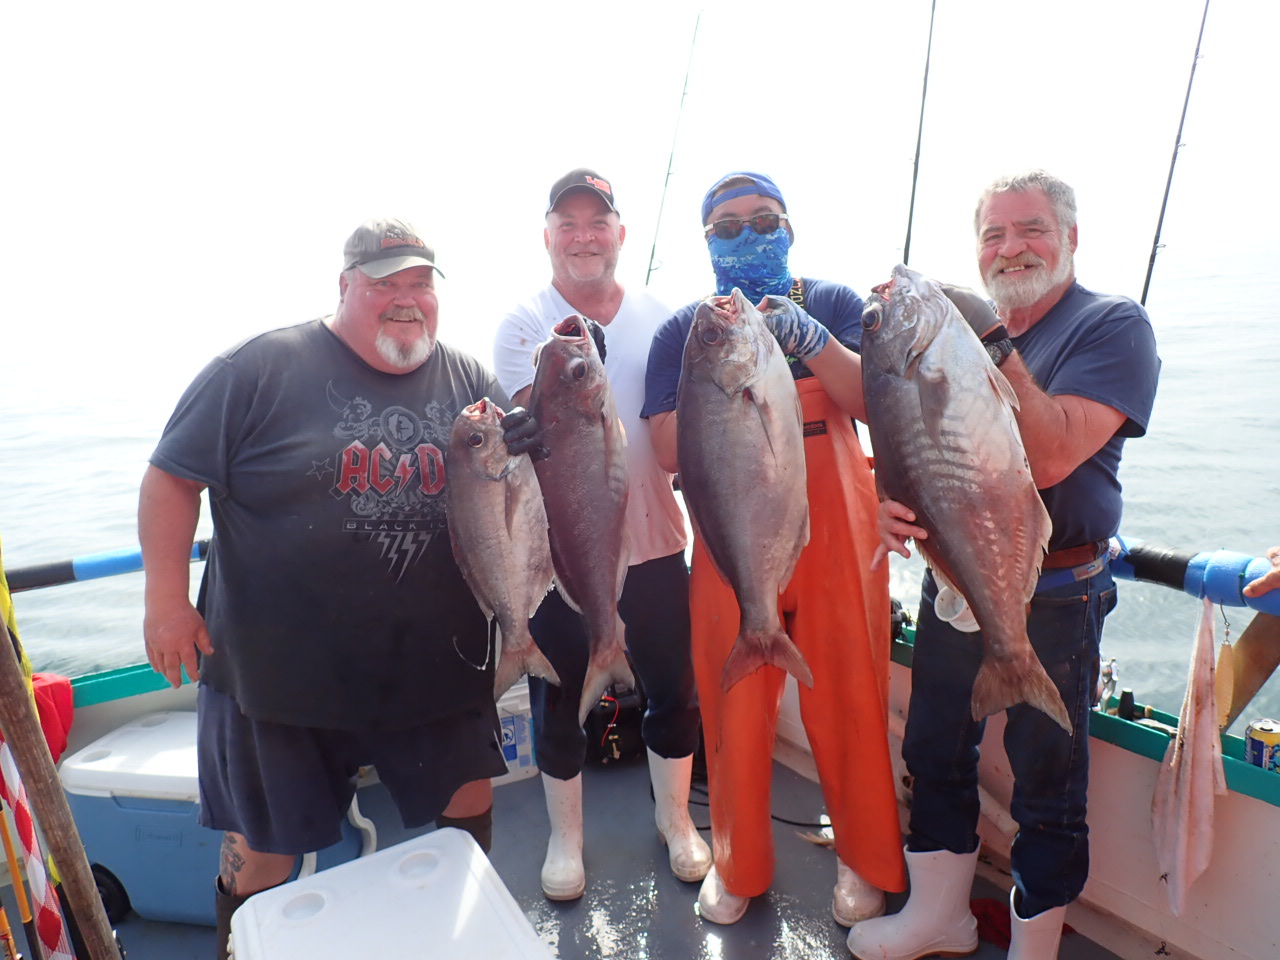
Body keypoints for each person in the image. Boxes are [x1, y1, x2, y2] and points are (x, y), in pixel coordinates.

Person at [140, 219, 543, 959]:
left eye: (419, 282)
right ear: (345, 285)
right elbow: (171, 477)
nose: (405, 299)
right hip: (277, 674)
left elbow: (516, 499)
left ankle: (460, 935)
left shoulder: (467, 379)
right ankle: (242, 946)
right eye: (384, 283)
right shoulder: (256, 367)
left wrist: (545, 442)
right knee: (265, 851)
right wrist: (165, 601)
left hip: (432, 662)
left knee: (468, 797)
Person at [847, 171, 1161, 960]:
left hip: (1057, 592)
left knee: (1048, 787)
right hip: (954, 580)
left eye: (1031, 229)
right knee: (932, 749)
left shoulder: (1113, 326)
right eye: (993, 234)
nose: (1011, 248)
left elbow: (1050, 454)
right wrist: (891, 506)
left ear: (1071, 239)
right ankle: (940, 915)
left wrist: (990, 337)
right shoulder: (947, 334)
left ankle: (1034, 948)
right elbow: (914, 445)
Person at [642, 172, 906, 925]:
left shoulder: (832, 304)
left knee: (852, 699)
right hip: (732, 537)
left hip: (837, 533)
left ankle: (865, 861)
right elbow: (666, 449)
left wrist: (813, 342)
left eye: (762, 220)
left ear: (790, 228)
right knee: (731, 714)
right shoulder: (684, 331)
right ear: (706, 244)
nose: (746, 235)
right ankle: (737, 862)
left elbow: (870, 401)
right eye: (725, 227)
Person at [492, 169, 711, 900]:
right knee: (560, 699)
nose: (583, 236)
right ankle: (566, 838)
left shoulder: (662, 315)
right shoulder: (525, 321)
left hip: (655, 541)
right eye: (568, 223)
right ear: (547, 235)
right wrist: (523, 422)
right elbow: (535, 409)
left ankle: (676, 821)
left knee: (673, 690)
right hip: (567, 555)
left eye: (598, 222)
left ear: (621, 233)